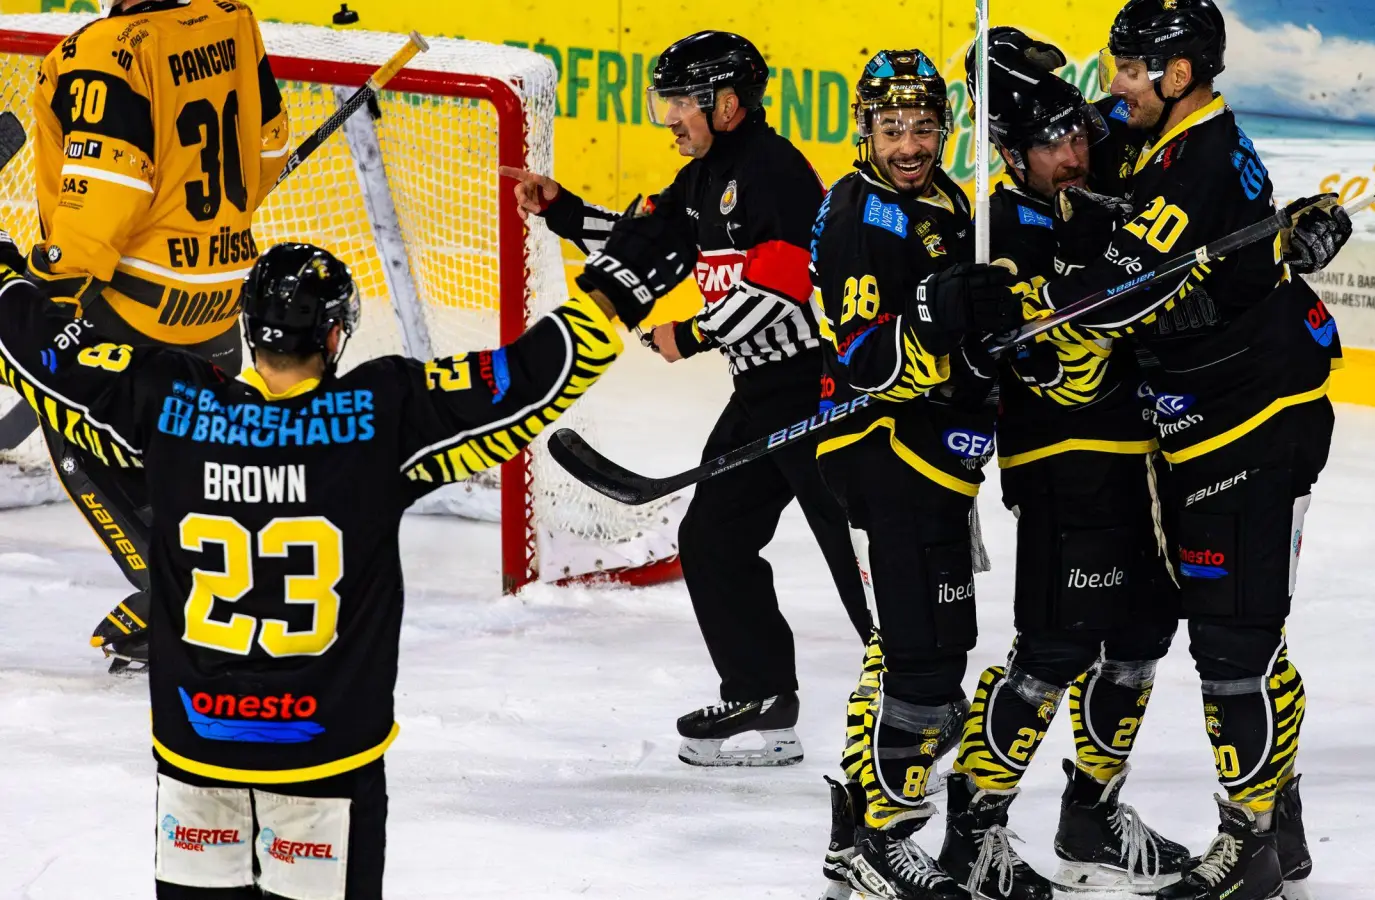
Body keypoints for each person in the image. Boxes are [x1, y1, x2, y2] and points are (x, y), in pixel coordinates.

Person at [0, 224, 677, 896]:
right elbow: (528, 378)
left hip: (196, 750)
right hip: (324, 759)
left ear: (246, 326)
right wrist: (614, 292)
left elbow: (39, 348)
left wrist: (4, 277)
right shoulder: (379, 414)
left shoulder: (168, 401)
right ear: (333, 337)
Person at [1027, 2, 1353, 898]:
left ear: (1178, 76)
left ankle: (1250, 848)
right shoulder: (1165, 136)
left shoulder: (1198, 159)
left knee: (1233, 640)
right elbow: (1090, 141)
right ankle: (1277, 830)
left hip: (1253, 418)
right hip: (1204, 415)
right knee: (1227, 628)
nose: (1114, 85)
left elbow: (1115, 297)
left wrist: (1028, 303)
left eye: (1131, 69)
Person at [501, 30, 872, 768]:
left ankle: (924, 702)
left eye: (681, 102)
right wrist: (562, 209)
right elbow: (647, 240)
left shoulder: (773, 173)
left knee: (859, 555)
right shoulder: (705, 176)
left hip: (822, 391)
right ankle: (763, 702)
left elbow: (781, 286)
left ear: (727, 104)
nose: (669, 117)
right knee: (714, 539)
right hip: (764, 393)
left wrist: (695, 333)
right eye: (664, 101)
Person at [946, 29, 1194, 895]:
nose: (1074, 153)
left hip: (1143, 456)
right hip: (1061, 461)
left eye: (1076, 134)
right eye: (1051, 143)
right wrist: (1080, 296)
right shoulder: (997, 226)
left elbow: (1134, 126)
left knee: (1142, 636)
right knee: (1054, 648)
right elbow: (1046, 361)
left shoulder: (1098, 178)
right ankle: (973, 830)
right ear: (1012, 155)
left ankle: (1091, 815)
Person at [809, 49, 1022, 900]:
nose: (909, 144)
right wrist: (938, 316)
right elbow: (867, 361)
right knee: (921, 662)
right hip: (883, 452)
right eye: (892, 127)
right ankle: (877, 842)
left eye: (924, 127)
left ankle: (859, 839)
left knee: (925, 654)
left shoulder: (948, 201)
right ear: (864, 128)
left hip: (938, 461)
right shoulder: (857, 212)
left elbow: (966, 346)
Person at [28, 0, 291, 673]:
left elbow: (104, 188)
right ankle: (251, 588)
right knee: (194, 460)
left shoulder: (106, 48)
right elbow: (268, 149)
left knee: (82, 444)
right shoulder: (234, 19)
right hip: (219, 298)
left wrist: (52, 282)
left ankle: (194, 603)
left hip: (131, 307)